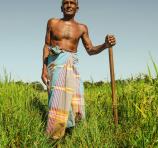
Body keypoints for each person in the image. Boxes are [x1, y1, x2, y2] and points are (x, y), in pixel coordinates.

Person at [41, 0, 116, 139]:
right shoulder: (52, 23)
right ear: (61, 7)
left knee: (75, 101)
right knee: (57, 100)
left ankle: (72, 134)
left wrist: (105, 45)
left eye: (72, 3)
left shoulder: (82, 28)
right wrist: (44, 69)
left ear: (77, 7)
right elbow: (46, 45)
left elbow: (91, 50)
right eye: (66, 3)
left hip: (72, 67)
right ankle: (54, 137)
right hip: (55, 65)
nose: (69, 5)